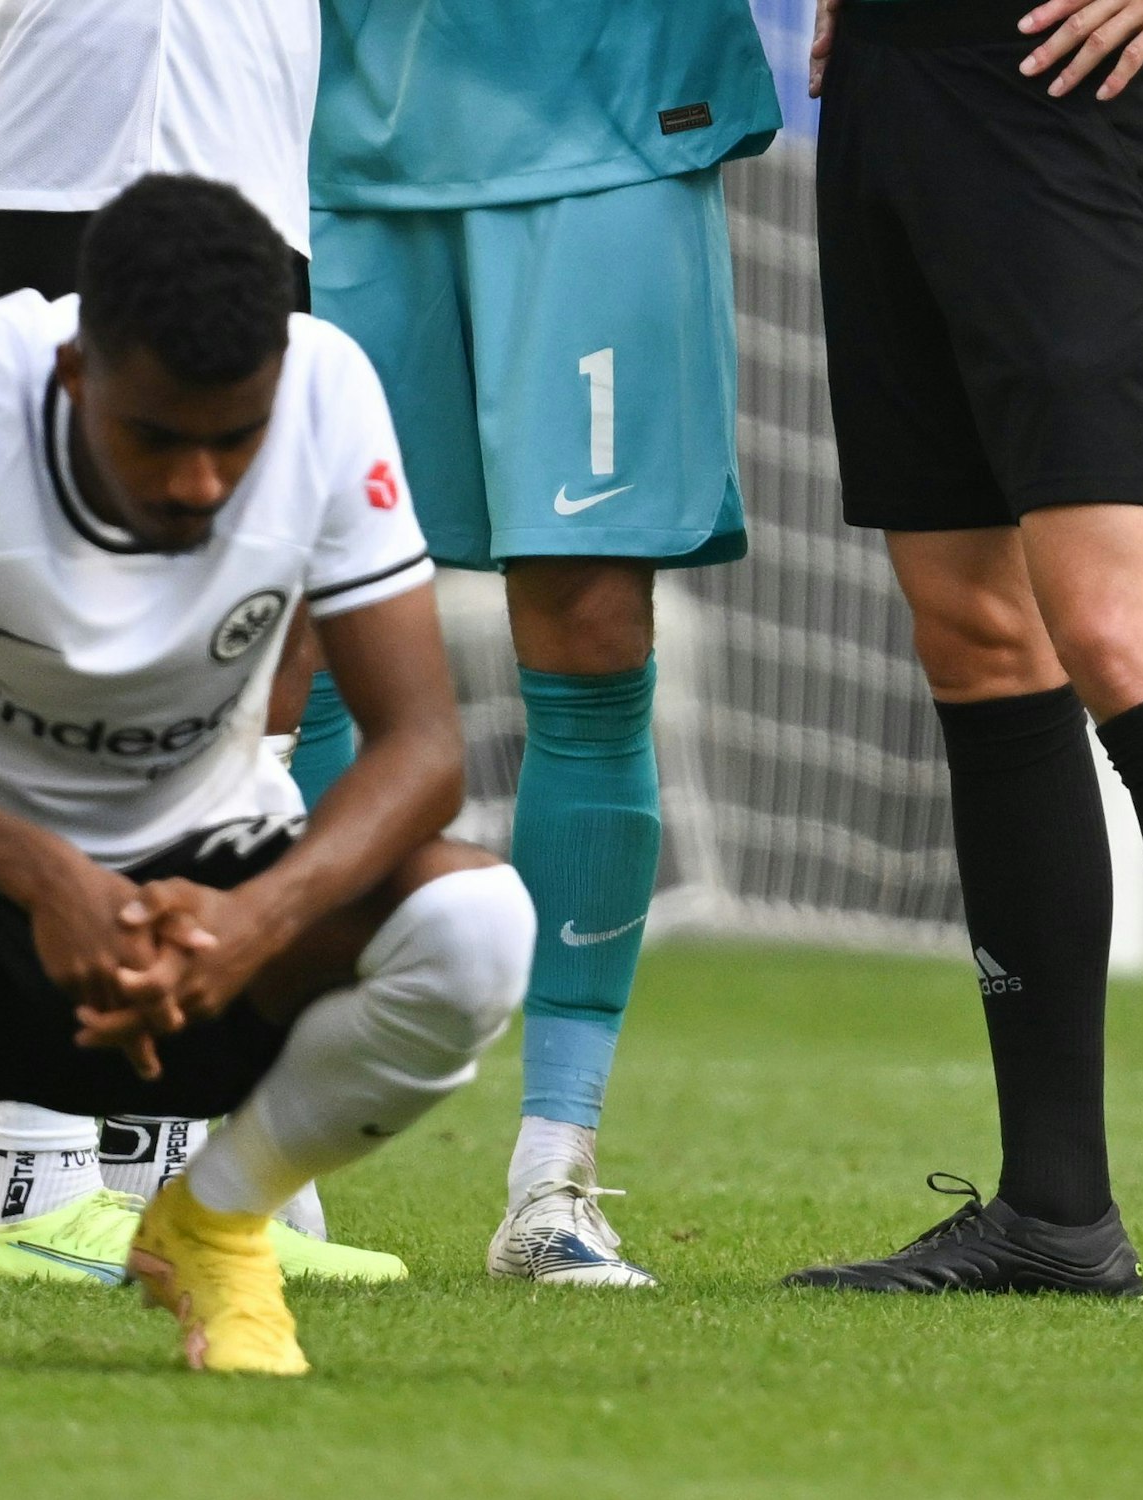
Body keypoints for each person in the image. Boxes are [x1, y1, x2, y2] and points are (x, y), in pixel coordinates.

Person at [0, 175, 535, 1370]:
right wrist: (47, 878)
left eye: (232, 442)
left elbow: (422, 749)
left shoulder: (328, 387)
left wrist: (257, 919)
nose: (198, 481)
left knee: (477, 919)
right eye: (157, 437)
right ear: (78, 374)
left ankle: (215, 1221)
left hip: (198, 934)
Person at [783, 0, 1143, 1309]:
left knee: (1120, 626)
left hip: (1067, 75)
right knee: (975, 634)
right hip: (892, 74)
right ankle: (1052, 1208)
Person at [300, 0, 781, 1287]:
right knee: (303, 621)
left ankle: (552, 1177)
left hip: (606, 112)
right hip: (333, 122)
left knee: (585, 626)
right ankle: (262, 1149)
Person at [0, 0, 402, 1286]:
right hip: (99, 138)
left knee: (254, 655)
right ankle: (32, 1174)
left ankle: (165, 1169)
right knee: (91, 653)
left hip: (244, 141)